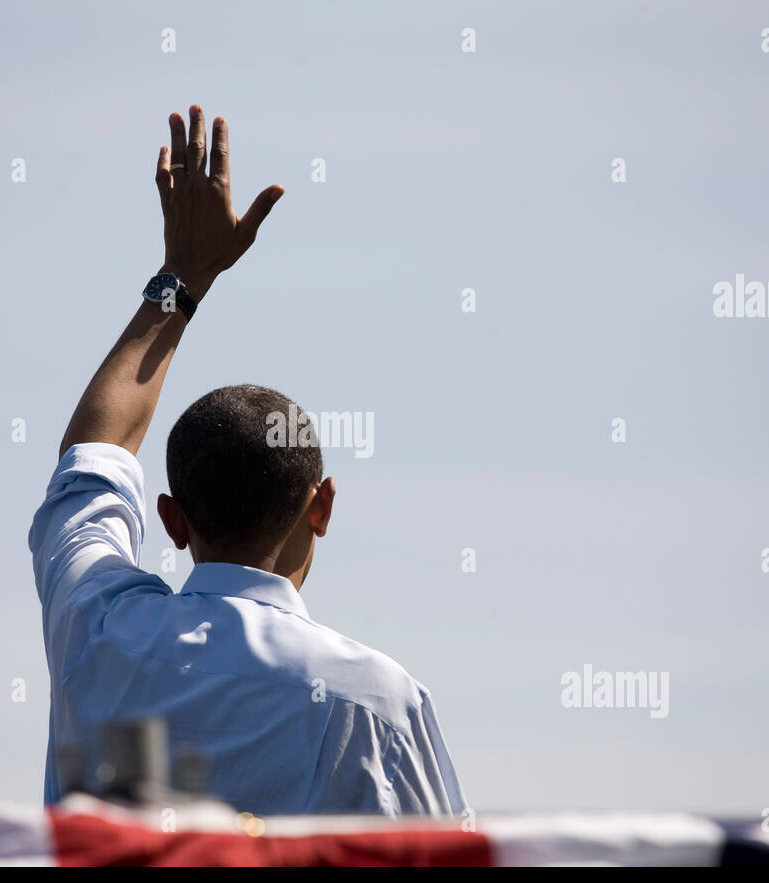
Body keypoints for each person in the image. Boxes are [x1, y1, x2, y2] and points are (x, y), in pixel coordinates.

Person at [29, 106, 466, 817]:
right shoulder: (376, 699)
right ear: (321, 507)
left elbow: (95, 449)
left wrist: (182, 274)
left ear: (171, 520)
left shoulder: (97, 631)